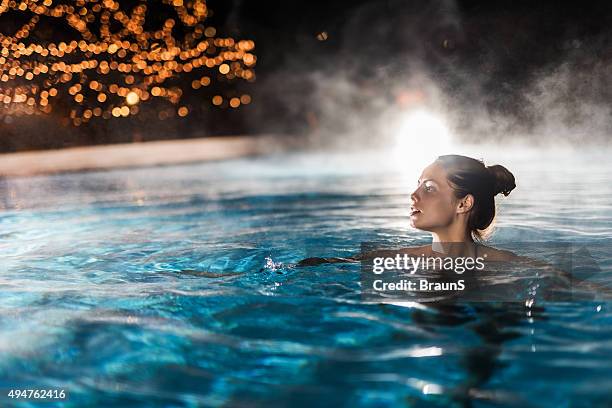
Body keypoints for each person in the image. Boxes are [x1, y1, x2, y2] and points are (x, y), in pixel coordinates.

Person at [298, 154, 518, 266]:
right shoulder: (392, 259)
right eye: (418, 184)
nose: (414, 195)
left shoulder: (508, 265)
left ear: (463, 204)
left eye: (430, 188)